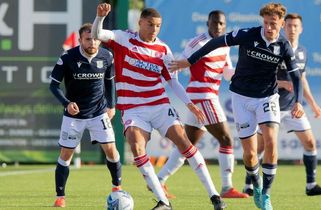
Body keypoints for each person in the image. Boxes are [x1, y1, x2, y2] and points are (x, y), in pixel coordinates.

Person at [170, 3, 304, 210]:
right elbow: (215, 43)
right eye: (266, 23)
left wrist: (298, 102)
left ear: (281, 24)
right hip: (241, 97)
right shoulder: (247, 34)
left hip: (267, 97)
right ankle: (256, 184)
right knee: (250, 154)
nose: (269, 28)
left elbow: (296, 75)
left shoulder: (284, 46)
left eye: (273, 24)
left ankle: (266, 195)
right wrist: (190, 61)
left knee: (271, 143)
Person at [92, 3, 226, 210]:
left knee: (184, 142)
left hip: (159, 105)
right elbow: (97, 33)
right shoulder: (123, 38)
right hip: (133, 109)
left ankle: (215, 196)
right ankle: (163, 202)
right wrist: (100, 17)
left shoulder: (163, 49)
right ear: (140, 23)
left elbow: (173, 82)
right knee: (136, 147)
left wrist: (189, 104)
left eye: (158, 26)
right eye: (150, 24)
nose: (154, 29)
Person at [156, 10, 248, 199]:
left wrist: (244, 73)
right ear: (208, 23)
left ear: (225, 25)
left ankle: (159, 180)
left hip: (204, 96)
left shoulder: (225, 43)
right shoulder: (197, 43)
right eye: (214, 23)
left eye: (221, 24)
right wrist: (167, 79)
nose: (218, 27)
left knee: (187, 145)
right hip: (203, 96)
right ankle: (227, 188)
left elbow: (227, 72)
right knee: (226, 140)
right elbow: (178, 64)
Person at [242, 13, 321, 197]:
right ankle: (249, 185)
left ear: (301, 29)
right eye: (289, 25)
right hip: (270, 105)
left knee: (310, 143)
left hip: (293, 108)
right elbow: (262, 74)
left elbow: (302, 80)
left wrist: (313, 104)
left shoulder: (303, 52)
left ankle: (311, 185)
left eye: (295, 26)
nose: (292, 29)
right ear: (283, 27)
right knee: (258, 149)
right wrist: (281, 83)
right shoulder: (277, 46)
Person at [49, 23, 122, 208]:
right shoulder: (68, 57)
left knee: (112, 151)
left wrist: (112, 105)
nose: (92, 42)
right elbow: (53, 86)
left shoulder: (107, 56)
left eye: (96, 38)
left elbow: (110, 82)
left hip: (99, 112)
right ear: (80, 40)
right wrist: (67, 103)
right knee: (66, 155)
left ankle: (117, 189)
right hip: (73, 115)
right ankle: (60, 197)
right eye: (88, 39)